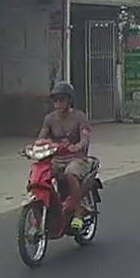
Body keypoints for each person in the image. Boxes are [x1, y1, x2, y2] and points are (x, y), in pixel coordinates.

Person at [37, 81, 93, 232]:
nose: (58, 104)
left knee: (70, 174)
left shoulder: (79, 117)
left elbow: (85, 137)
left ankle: (79, 211)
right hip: (57, 158)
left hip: (77, 158)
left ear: (69, 100)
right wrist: (36, 146)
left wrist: (79, 145)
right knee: (41, 174)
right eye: (55, 100)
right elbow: (41, 137)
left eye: (61, 100)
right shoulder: (49, 119)